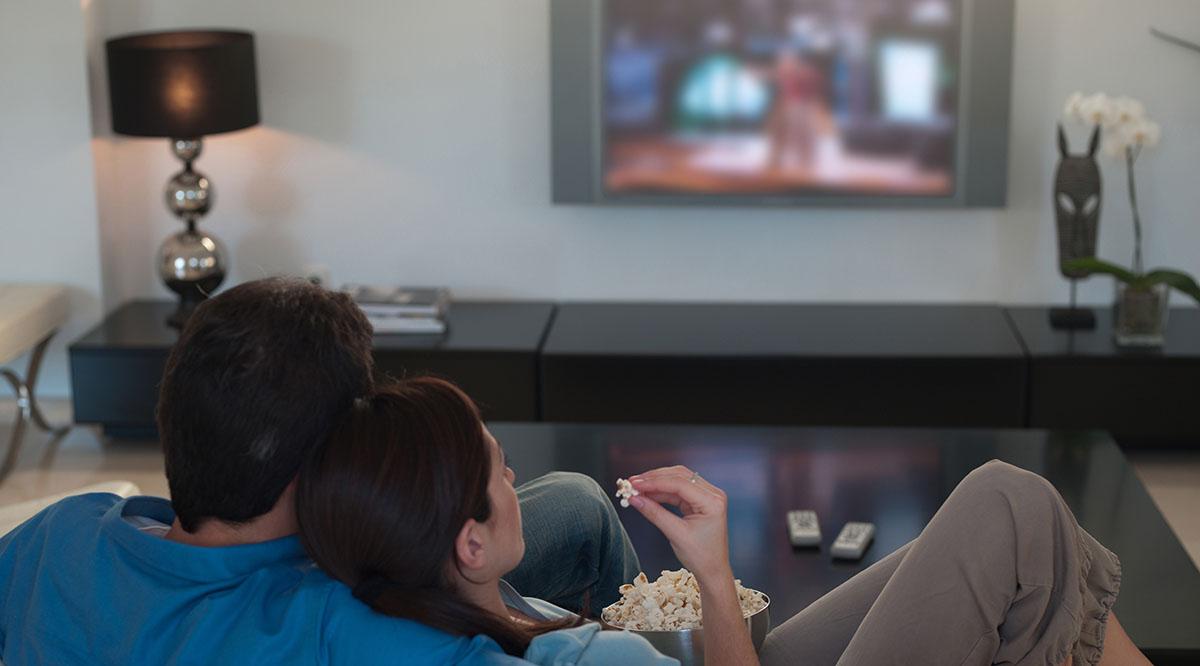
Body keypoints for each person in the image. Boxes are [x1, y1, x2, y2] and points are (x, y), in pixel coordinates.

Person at [0, 278, 639, 665]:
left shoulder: (57, 535)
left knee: (573, 503)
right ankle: (659, 621)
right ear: (325, 466)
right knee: (578, 512)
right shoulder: (341, 623)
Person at [298, 376, 1150, 666]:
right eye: (499, 469)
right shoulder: (585, 656)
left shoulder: (396, 602)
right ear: (470, 541)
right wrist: (711, 566)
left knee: (1029, 525)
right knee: (1011, 504)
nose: (516, 475)